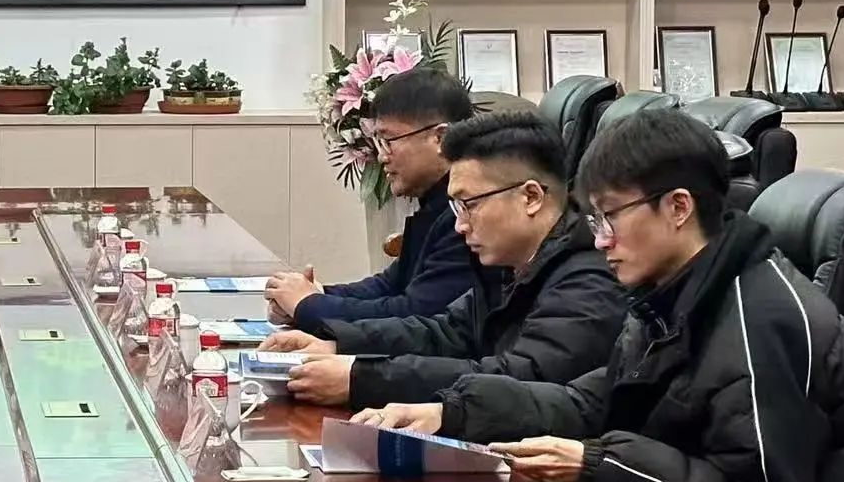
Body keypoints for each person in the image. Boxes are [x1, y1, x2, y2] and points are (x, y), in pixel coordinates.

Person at [356, 110, 844, 482]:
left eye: (610, 216)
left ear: (678, 207)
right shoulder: (673, 291)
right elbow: (594, 401)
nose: (600, 238)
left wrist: (596, 466)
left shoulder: (763, 321)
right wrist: (452, 413)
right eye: (594, 218)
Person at [261, 112, 627, 409]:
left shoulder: (589, 281)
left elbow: (519, 377)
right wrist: (338, 345)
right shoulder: (509, 264)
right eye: (455, 207)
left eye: (469, 204)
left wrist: (361, 378)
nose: (459, 225)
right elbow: (445, 332)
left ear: (530, 197)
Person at [267, 67, 478, 329]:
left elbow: (415, 314)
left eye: (389, 141)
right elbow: (390, 285)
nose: (381, 156)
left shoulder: (468, 213)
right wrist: (314, 295)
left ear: (440, 138)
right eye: (378, 143)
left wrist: (308, 305)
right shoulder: (435, 203)